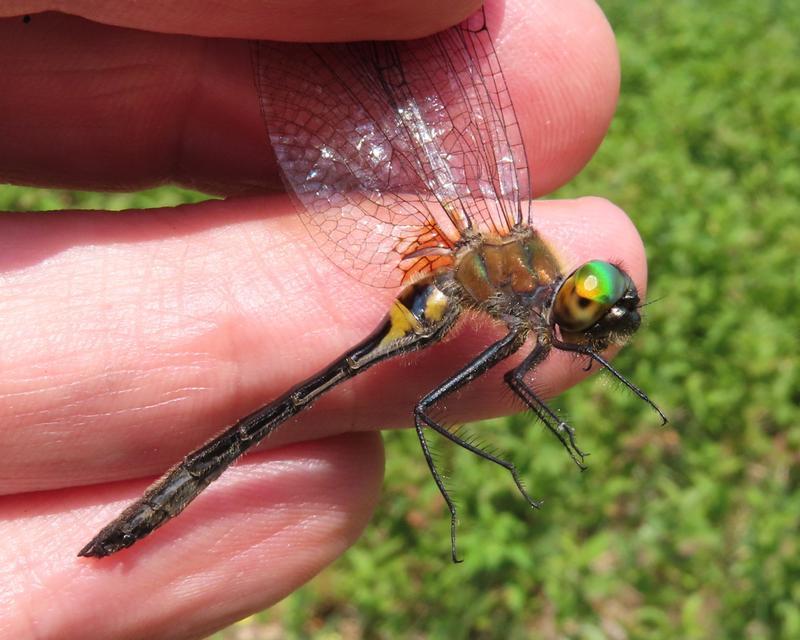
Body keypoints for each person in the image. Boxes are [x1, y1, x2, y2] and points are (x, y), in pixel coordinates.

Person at [0, 1, 643, 637]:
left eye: (593, 303)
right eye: (591, 299)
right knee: (362, 410)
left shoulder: (531, 287)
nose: (591, 305)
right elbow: (507, 381)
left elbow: (519, 377)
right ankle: (174, 495)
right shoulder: (526, 291)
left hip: (447, 287)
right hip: (433, 297)